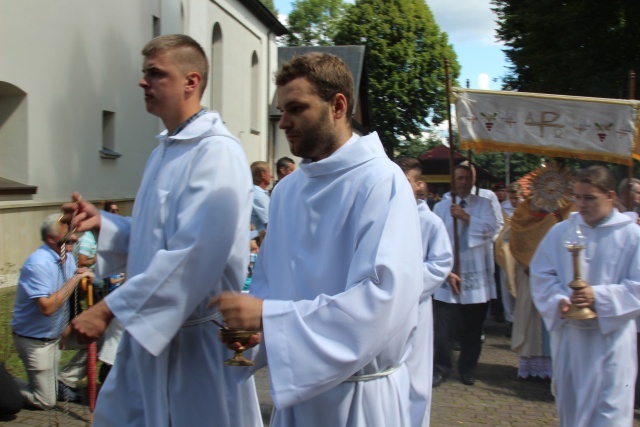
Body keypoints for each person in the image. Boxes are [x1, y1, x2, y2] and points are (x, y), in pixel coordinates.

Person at [211, 52, 424, 426]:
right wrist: (255, 328)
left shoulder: (381, 181)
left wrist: (268, 316)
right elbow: (271, 285)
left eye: (296, 108)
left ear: (338, 105)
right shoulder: (288, 190)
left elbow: (382, 299)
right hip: (297, 398)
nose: (284, 123)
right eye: (281, 110)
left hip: (360, 399)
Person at [60, 34, 261, 427]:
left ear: (191, 81)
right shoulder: (163, 151)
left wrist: (107, 308)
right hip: (148, 341)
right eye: (144, 73)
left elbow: (193, 255)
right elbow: (158, 239)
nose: (142, 82)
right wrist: (107, 224)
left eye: (155, 73)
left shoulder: (216, 152)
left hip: (194, 349)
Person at [530, 165, 640, 426]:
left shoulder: (631, 235)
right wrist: (560, 300)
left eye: (590, 198)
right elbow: (541, 275)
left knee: (609, 413)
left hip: (611, 339)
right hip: (572, 337)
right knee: (573, 410)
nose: (581, 204)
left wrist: (597, 296)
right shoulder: (561, 232)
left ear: (610, 196)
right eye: (577, 197)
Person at [11, 213, 94, 409]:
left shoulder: (67, 258)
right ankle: (5, 381)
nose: (74, 237)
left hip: (58, 334)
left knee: (98, 338)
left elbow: (70, 296)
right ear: (51, 238)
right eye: (67, 233)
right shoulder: (38, 263)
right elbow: (47, 307)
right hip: (36, 341)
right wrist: (75, 279)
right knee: (46, 401)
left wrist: (83, 283)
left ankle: (64, 380)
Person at [395, 157, 453, 426]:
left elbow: (440, 264)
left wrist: (403, 284)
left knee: (415, 375)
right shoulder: (382, 214)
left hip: (415, 306)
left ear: (419, 185)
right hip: (384, 307)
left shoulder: (430, 222)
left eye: (405, 180)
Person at [432, 164, 498, 386]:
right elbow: (434, 239)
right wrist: (444, 269)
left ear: (473, 181)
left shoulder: (484, 204)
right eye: (459, 178)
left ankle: (468, 368)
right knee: (443, 329)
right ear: (453, 180)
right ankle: (441, 367)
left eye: (467, 178)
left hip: (474, 272)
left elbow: (492, 229)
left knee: (472, 328)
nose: (463, 182)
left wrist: (466, 217)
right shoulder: (441, 207)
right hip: (448, 272)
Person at [509, 164, 573, 379]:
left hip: (561, 274)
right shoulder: (525, 208)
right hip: (530, 272)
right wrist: (530, 264)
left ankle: (559, 366)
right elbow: (518, 233)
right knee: (532, 319)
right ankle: (534, 366)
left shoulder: (569, 210)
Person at [250, 161, 271, 233]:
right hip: (259, 239)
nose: (271, 176)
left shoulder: (254, 192)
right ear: (263, 175)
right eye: (269, 172)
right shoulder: (259, 196)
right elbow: (270, 222)